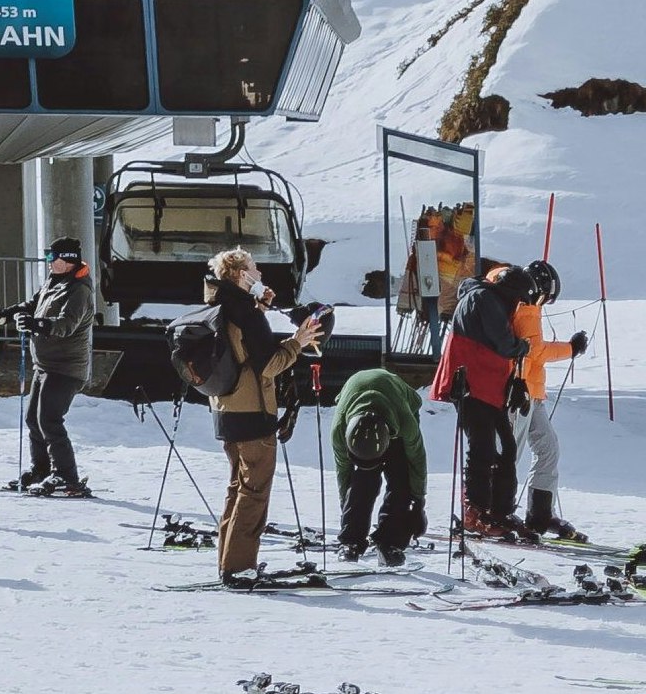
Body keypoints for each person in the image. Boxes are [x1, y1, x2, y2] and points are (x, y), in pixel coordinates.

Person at [208, 247, 323, 586]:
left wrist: (259, 303)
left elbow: (241, 347)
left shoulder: (220, 303)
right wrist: (297, 342)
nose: (260, 273)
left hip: (226, 411)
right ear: (241, 275)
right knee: (254, 492)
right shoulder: (246, 313)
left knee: (238, 489)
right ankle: (240, 568)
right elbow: (269, 364)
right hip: (253, 414)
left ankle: (229, 563)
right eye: (255, 269)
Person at [431, 260, 536, 538]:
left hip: (487, 386)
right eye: (518, 299)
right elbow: (504, 343)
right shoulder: (484, 297)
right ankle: (474, 512)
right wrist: (523, 346)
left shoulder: (487, 296)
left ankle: (499, 511)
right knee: (483, 448)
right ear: (510, 291)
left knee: (505, 448)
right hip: (470, 383)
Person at [0, 238, 96, 497]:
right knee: (33, 419)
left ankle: (66, 476)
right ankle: (41, 470)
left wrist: (37, 325)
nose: (49, 263)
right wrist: (5, 314)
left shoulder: (79, 290)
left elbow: (65, 325)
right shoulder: (55, 281)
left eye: (53, 258)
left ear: (67, 259)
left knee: (49, 420)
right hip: (45, 365)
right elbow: (32, 305)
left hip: (66, 368)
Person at [512, 259, 592, 541]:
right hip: (519, 392)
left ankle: (539, 514)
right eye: (547, 296)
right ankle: (497, 511)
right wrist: (571, 349)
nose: (546, 302)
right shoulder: (524, 310)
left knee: (548, 448)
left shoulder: (531, 309)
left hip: (534, 393)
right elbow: (537, 353)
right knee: (511, 453)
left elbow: (536, 351)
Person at [331, 367, 426, 566]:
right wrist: (347, 507)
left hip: (397, 405)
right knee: (362, 482)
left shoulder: (406, 424)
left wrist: (418, 502)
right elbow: (344, 472)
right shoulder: (340, 429)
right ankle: (351, 542)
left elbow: (416, 462)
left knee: (401, 479)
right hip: (356, 395)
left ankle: (390, 542)